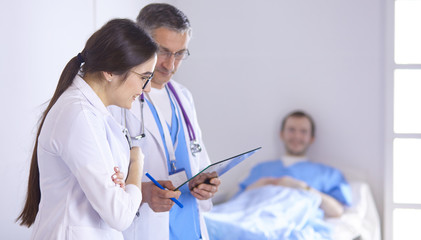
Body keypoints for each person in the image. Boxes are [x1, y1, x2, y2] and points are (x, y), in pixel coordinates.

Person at [16, 19, 158, 239]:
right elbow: (119, 214)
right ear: (110, 71)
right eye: (144, 77)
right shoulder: (78, 115)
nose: (147, 88)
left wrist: (123, 184)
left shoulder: (92, 113)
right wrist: (136, 164)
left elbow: (115, 200)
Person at [109, 3, 220, 240]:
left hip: (190, 225)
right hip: (146, 227)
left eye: (180, 53)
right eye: (163, 51)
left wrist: (206, 183)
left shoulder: (183, 96)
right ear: (141, 42)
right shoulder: (117, 98)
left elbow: (199, 160)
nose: (170, 65)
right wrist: (145, 192)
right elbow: (106, 179)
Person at [238, 110, 352, 218]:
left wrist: (302, 187)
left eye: (303, 131)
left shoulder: (327, 173)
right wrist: (256, 187)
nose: (297, 136)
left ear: (311, 138)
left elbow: (337, 211)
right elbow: (234, 204)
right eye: (291, 130)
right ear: (282, 134)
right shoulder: (260, 169)